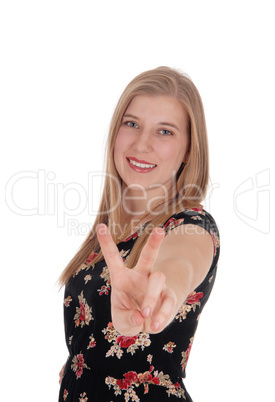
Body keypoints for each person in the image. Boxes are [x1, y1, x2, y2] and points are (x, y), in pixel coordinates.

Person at [58, 66, 220, 402]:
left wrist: (160, 294)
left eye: (165, 132)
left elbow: (179, 264)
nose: (142, 144)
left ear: (189, 149)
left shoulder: (192, 226)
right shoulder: (110, 235)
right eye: (131, 124)